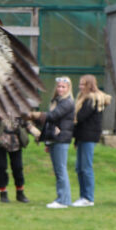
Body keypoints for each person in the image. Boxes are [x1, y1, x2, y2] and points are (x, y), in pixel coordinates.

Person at [29, 76, 75, 209]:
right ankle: (63, 198)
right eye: (59, 86)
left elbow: (53, 116)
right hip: (55, 139)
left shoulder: (67, 102)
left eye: (63, 87)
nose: (60, 89)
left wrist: (35, 115)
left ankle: (63, 200)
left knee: (61, 170)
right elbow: (51, 121)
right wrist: (47, 142)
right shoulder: (57, 101)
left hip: (61, 139)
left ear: (68, 88)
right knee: (58, 170)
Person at [71, 75, 112, 207]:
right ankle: (83, 196)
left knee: (86, 167)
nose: (80, 87)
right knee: (79, 167)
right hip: (82, 136)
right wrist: (76, 140)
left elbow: (81, 117)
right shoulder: (83, 98)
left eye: (83, 84)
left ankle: (88, 197)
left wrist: (71, 118)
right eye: (80, 84)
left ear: (89, 85)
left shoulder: (91, 100)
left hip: (89, 136)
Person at [0, 112, 40, 203]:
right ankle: (3, 193)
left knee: (18, 167)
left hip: (16, 142)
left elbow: (26, 122)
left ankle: (20, 193)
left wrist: (37, 133)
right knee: (2, 167)